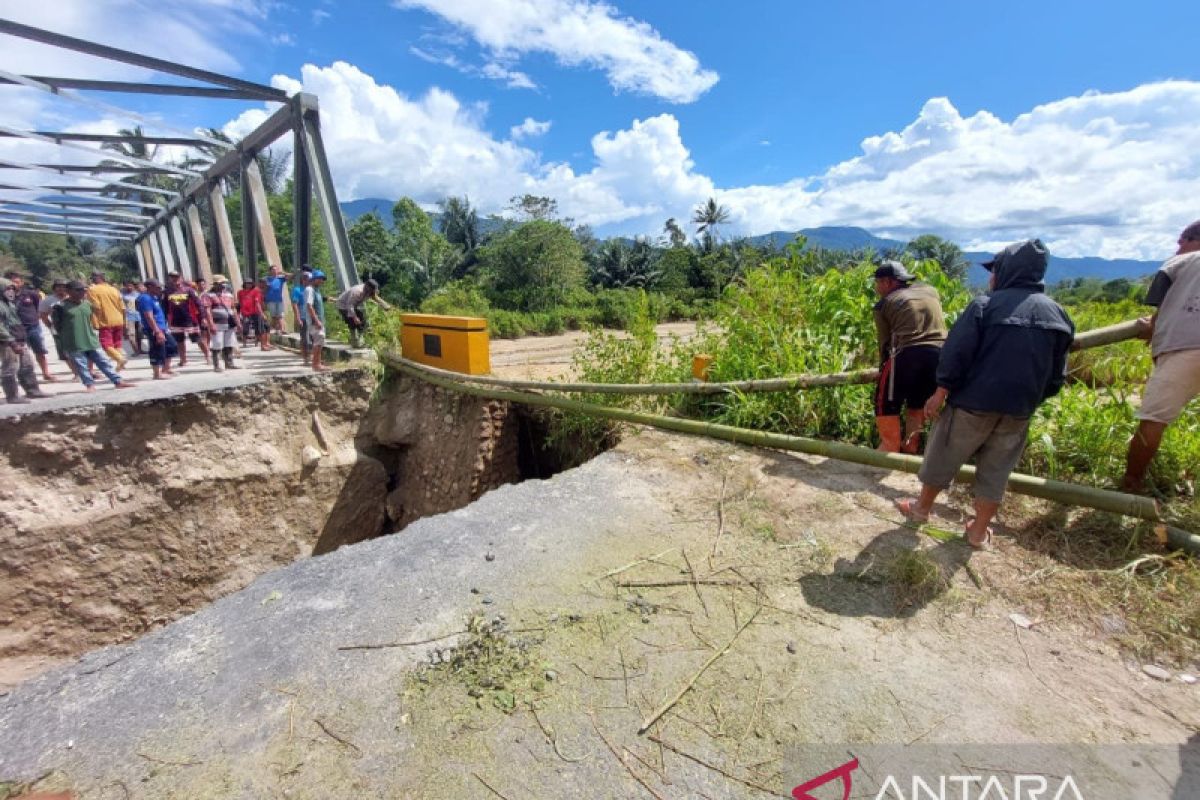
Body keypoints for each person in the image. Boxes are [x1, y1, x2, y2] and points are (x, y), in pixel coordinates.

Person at [894, 240, 1074, 548]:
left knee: (943, 454)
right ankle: (978, 531)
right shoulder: (1059, 315)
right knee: (996, 470)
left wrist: (940, 393)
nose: (991, 277)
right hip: (1019, 410)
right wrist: (1030, 399)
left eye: (994, 270)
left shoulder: (985, 306)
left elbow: (956, 353)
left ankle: (921, 510)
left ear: (1006, 271)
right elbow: (1057, 376)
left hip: (973, 404)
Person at [1122, 220, 1200, 492]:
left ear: (1194, 241)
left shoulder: (1183, 261)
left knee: (1154, 419)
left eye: (1183, 239)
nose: (1178, 246)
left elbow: (1160, 300)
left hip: (1186, 348)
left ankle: (1131, 483)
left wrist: (1152, 326)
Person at [871, 261, 947, 453]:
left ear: (887, 283)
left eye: (878, 283)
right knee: (917, 402)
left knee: (885, 403)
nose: (876, 287)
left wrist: (883, 371)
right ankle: (910, 446)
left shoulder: (884, 304)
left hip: (907, 354)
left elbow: (885, 343)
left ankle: (890, 448)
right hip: (939, 355)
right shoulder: (931, 291)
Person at [52, 280, 133, 393]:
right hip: (74, 342)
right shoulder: (60, 307)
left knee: (103, 361)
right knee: (81, 365)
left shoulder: (87, 304)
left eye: (83, 290)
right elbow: (57, 326)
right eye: (78, 290)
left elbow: (90, 320)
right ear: (69, 291)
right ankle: (89, 385)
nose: (82, 292)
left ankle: (118, 381)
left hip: (91, 340)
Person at [0, 277, 48, 404]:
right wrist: (12, 341)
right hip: (7, 342)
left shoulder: (9, 303)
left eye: (12, 288)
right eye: (7, 288)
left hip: (19, 339)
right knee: (10, 368)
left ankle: (33, 390)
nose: (10, 291)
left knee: (27, 365)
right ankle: (12, 396)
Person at [5, 271, 57, 382]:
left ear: (22, 282)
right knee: (20, 354)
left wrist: (36, 319)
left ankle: (46, 373)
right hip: (16, 330)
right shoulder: (6, 297)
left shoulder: (31, 294)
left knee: (40, 351)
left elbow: (38, 307)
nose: (15, 284)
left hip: (33, 327)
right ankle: (23, 377)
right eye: (12, 282)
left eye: (17, 282)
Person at [162, 272, 207, 367]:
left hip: (190, 319)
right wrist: (165, 320)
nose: (175, 279)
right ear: (170, 279)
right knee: (179, 341)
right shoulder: (167, 292)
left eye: (177, 277)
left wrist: (203, 317)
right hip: (175, 320)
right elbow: (165, 307)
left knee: (197, 339)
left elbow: (199, 304)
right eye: (172, 277)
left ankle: (207, 355)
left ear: (181, 278)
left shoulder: (189, 290)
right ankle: (183, 360)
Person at [86, 271, 128, 371]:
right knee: (117, 343)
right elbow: (123, 307)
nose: (92, 280)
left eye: (93, 278)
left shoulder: (93, 290)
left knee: (106, 344)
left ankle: (120, 358)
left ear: (97, 278)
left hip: (105, 321)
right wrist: (124, 321)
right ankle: (120, 362)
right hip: (119, 319)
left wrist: (94, 321)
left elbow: (96, 306)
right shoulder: (114, 289)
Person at [136, 279, 177, 380]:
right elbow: (148, 316)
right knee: (157, 349)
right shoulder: (145, 298)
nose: (160, 289)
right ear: (150, 287)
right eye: (158, 287)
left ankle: (166, 369)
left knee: (171, 345)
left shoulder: (154, 297)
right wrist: (157, 331)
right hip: (154, 329)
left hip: (162, 327)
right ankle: (157, 374)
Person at [203, 275, 241, 372]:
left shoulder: (228, 294)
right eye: (221, 283)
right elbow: (207, 310)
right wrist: (211, 324)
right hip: (217, 323)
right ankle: (216, 365)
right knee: (217, 343)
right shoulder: (208, 295)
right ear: (216, 284)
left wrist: (238, 322)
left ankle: (229, 363)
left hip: (229, 322)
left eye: (224, 283)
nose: (224, 285)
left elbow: (233, 308)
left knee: (229, 343)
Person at [335, 278, 380, 348]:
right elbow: (349, 306)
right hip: (343, 306)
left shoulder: (369, 291)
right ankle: (355, 341)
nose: (373, 292)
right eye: (372, 290)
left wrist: (384, 305)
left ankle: (360, 340)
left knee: (362, 320)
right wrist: (355, 317)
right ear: (367, 287)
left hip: (351, 305)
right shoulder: (357, 291)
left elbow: (375, 297)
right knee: (352, 321)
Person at [304, 270, 329, 372]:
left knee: (320, 342)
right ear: (314, 279)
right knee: (318, 341)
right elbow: (309, 306)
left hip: (319, 320)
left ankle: (318, 363)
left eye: (323, 280)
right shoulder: (310, 289)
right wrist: (316, 320)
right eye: (320, 279)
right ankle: (316, 364)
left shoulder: (316, 290)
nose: (322, 281)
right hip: (315, 321)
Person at [237, 279, 269, 350]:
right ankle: (244, 342)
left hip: (255, 312)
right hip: (245, 312)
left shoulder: (256, 291)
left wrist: (262, 313)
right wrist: (238, 313)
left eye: (250, 283)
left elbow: (257, 303)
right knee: (245, 327)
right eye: (247, 283)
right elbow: (239, 302)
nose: (249, 285)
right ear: (244, 284)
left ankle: (256, 342)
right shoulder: (240, 292)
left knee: (258, 328)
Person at [291, 269, 312, 365]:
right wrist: (298, 318)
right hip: (303, 317)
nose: (310, 281)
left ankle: (312, 356)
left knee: (313, 338)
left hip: (312, 317)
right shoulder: (297, 290)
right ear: (303, 280)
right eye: (309, 279)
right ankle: (306, 358)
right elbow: (295, 304)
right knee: (305, 338)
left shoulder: (312, 289)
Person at [264, 264, 292, 334]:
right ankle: (271, 328)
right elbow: (263, 288)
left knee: (280, 315)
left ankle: (282, 329)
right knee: (274, 316)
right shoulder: (267, 279)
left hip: (279, 300)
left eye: (276, 269)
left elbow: (291, 276)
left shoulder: (281, 278)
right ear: (270, 271)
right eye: (273, 269)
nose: (275, 271)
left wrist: (282, 272)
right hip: (270, 300)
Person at [121, 280, 144, 355]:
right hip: (129, 317)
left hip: (139, 316)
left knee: (139, 334)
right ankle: (136, 350)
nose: (129, 287)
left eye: (131, 285)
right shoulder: (123, 295)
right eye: (127, 286)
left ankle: (140, 349)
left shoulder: (138, 294)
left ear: (134, 286)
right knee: (131, 335)